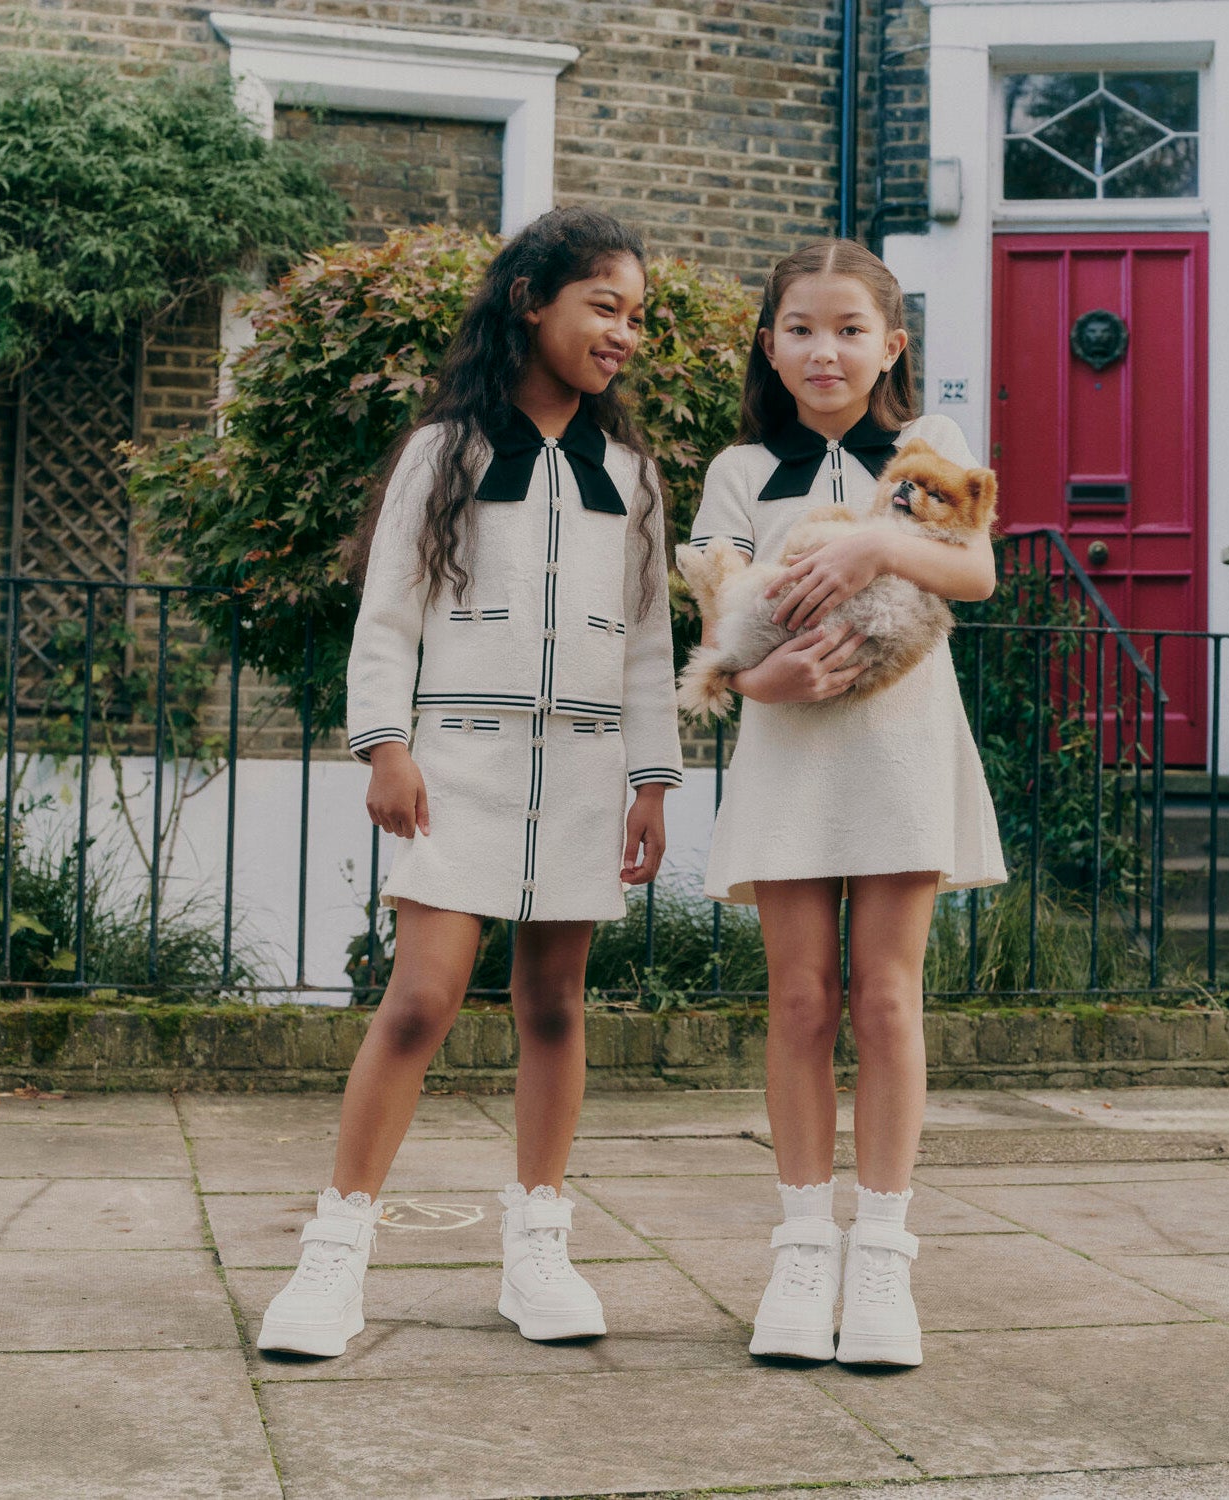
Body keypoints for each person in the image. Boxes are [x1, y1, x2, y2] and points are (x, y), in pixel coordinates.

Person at [257, 206, 682, 1358]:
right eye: (605, 306)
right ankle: (333, 1255)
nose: (624, 333)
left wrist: (654, 780)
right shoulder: (445, 452)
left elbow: (649, 644)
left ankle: (538, 1247)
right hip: (460, 763)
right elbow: (389, 612)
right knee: (421, 1001)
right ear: (529, 300)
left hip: (590, 769)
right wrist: (384, 744)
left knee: (553, 1007)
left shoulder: (634, 476)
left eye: (637, 317)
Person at [686, 239, 1006, 1366]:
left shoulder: (932, 451)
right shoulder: (736, 470)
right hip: (787, 746)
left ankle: (882, 1258)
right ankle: (799, 1250)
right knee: (801, 1000)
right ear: (769, 345)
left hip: (901, 745)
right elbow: (717, 606)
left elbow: (974, 573)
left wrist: (880, 538)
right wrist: (749, 678)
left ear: (893, 344)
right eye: (802, 330)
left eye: (851, 330)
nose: (826, 351)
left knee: (886, 997)